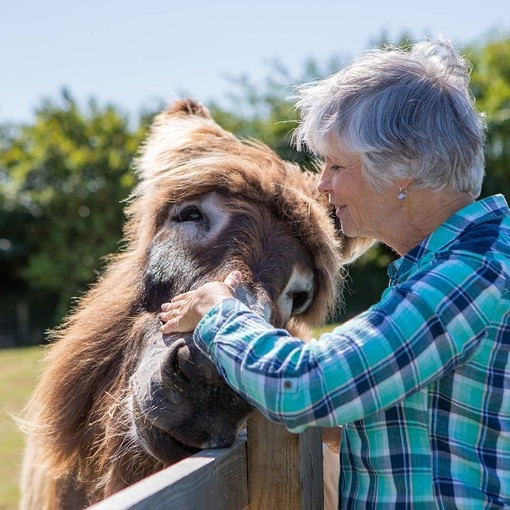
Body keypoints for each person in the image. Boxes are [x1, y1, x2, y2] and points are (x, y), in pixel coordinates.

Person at [159, 35, 510, 508]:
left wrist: (219, 312)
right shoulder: (459, 263)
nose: (321, 184)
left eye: (337, 164)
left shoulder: (472, 276)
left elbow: (305, 387)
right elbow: (422, 424)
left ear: (403, 169)